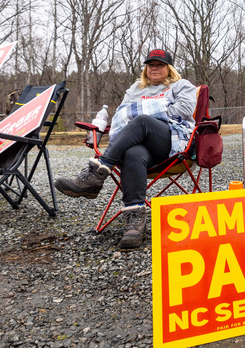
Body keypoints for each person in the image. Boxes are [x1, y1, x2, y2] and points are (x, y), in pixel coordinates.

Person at [54, 49, 196, 250]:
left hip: (170, 143)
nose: (154, 68)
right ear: (146, 68)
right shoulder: (135, 89)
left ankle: (96, 173)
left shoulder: (182, 86)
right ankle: (135, 223)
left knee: (142, 120)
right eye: (150, 65)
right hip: (141, 147)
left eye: (160, 65)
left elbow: (183, 111)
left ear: (169, 68)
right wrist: (157, 108)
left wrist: (143, 112)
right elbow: (121, 116)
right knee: (133, 153)